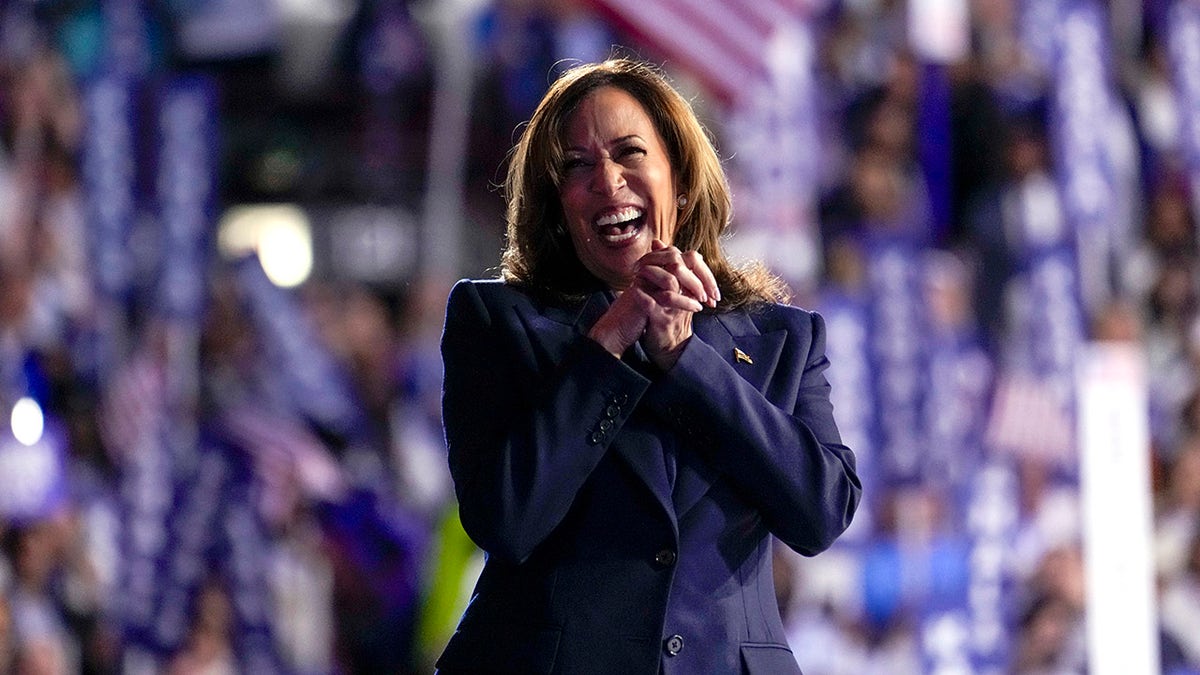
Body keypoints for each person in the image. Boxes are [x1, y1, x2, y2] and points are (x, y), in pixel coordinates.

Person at [436, 58, 861, 674]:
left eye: (629, 153)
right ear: (558, 207)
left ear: (682, 182)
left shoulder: (781, 339)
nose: (608, 182)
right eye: (577, 167)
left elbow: (821, 513)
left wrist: (686, 361)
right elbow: (505, 519)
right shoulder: (496, 321)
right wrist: (608, 341)